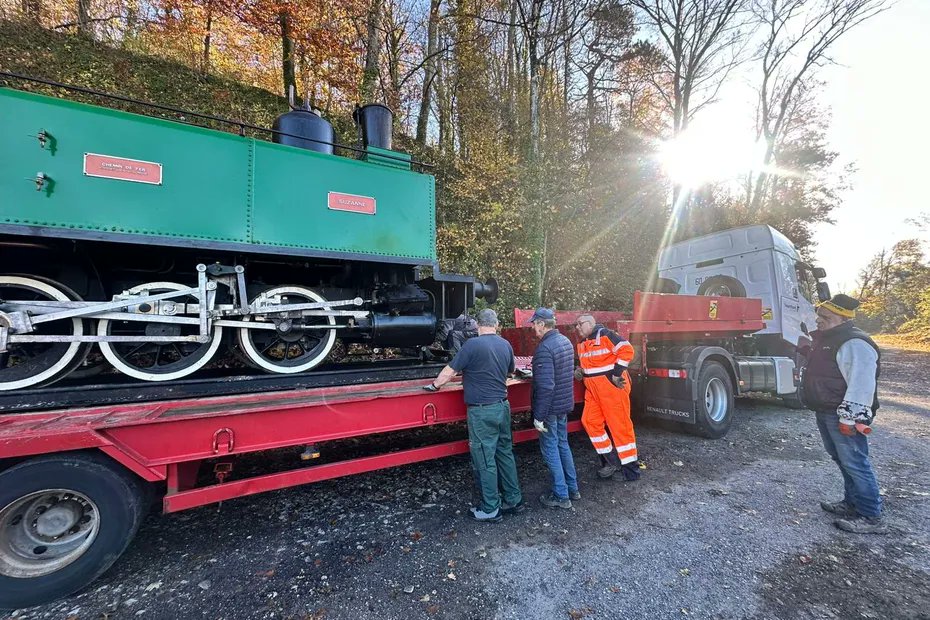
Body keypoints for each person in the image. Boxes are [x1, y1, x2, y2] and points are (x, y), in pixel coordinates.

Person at [424, 308, 523, 522]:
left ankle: (490, 509)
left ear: (478, 325)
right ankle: (513, 500)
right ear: (495, 324)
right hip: (502, 406)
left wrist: (434, 385)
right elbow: (510, 371)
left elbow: (449, 371)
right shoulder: (505, 344)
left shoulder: (471, 345)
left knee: (485, 459)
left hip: (481, 411)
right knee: (504, 453)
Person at [801, 294, 885, 534]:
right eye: (819, 315)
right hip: (827, 410)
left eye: (826, 317)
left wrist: (849, 418)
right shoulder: (831, 339)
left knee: (855, 462)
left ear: (842, 318)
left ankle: (871, 516)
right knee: (842, 459)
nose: (819, 320)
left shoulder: (854, 343)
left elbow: (861, 385)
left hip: (842, 415)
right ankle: (852, 503)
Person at [574, 314, 640, 481]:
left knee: (620, 427)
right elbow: (589, 364)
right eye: (576, 325)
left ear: (590, 323)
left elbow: (627, 349)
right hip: (593, 391)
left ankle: (630, 471)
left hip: (612, 389)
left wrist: (616, 374)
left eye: (580, 324)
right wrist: (579, 371)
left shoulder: (606, 335)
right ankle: (612, 462)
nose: (577, 328)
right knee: (589, 421)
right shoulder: (582, 343)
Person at [527, 308, 580, 509]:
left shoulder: (544, 349)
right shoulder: (565, 342)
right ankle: (573, 489)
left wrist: (538, 416)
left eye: (534, 324)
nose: (533, 328)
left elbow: (546, 386)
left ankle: (560, 495)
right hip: (563, 405)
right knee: (562, 444)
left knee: (550, 448)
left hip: (549, 409)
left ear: (542, 323)